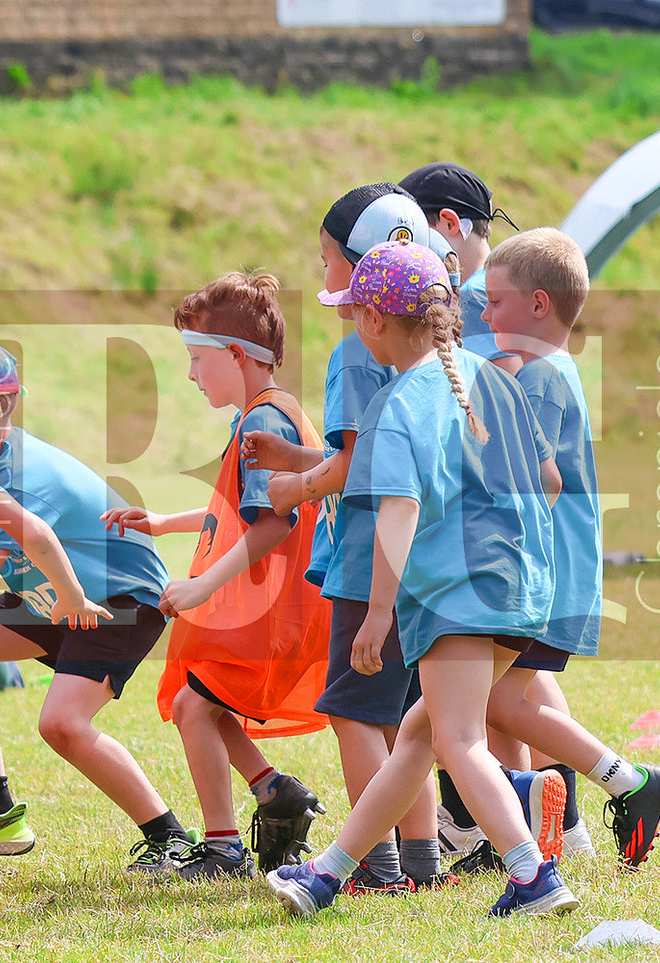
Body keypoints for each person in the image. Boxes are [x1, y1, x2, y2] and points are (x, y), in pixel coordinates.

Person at [264, 240, 577, 919]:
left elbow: (399, 511)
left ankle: (531, 875)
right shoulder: (489, 376)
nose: (352, 327)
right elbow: (547, 481)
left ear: (375, 319)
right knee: (416, 737)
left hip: (457, 599)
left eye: (352, 314)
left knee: (458, 740)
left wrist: (379, 613)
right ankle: (325, 873)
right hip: (519, 589)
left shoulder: (399, 401)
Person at [242, 184, 449, 893]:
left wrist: (293, 488)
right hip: (420, 559)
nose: (326, 273)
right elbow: (370, 454)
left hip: (369, 561)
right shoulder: (434, 349)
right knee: (398, 722)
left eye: (327, 258)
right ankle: (420, 858)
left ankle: (375, 864)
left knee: (354, 714)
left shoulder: (356, 349)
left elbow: (357, 468)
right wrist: (296, 459)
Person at [0, 343, 197, 874]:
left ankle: (171, 838)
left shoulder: (21, 474)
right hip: (49, 597)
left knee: (62, 724)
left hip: (116, 601)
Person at [105, 271, 332, 881]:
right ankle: (272, 792)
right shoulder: (264, 415)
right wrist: (162, 523)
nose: (190, 374)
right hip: (261, 608)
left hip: (271, 611)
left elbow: (273, 526)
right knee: (197, 703)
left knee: (193, 707)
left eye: (197, 358)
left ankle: (225, 846)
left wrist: (202, 586)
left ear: (236, 356)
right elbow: (234, 508)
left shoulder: (269, 423)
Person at [474, 228, 660, 871]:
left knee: (496, 701)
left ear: (538, 305)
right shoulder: (551, 370)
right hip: (552, 575)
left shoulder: (537, 380)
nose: (483, 314)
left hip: (544, 579)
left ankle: (628, 781)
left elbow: (533, 479)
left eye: (495, 302)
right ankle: (525, 834)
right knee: (496, 702)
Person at [399, 161, 519, 371]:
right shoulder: (502, 285)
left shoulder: (474, 298)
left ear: (450, 223)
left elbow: (507, 390)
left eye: (413, 233)